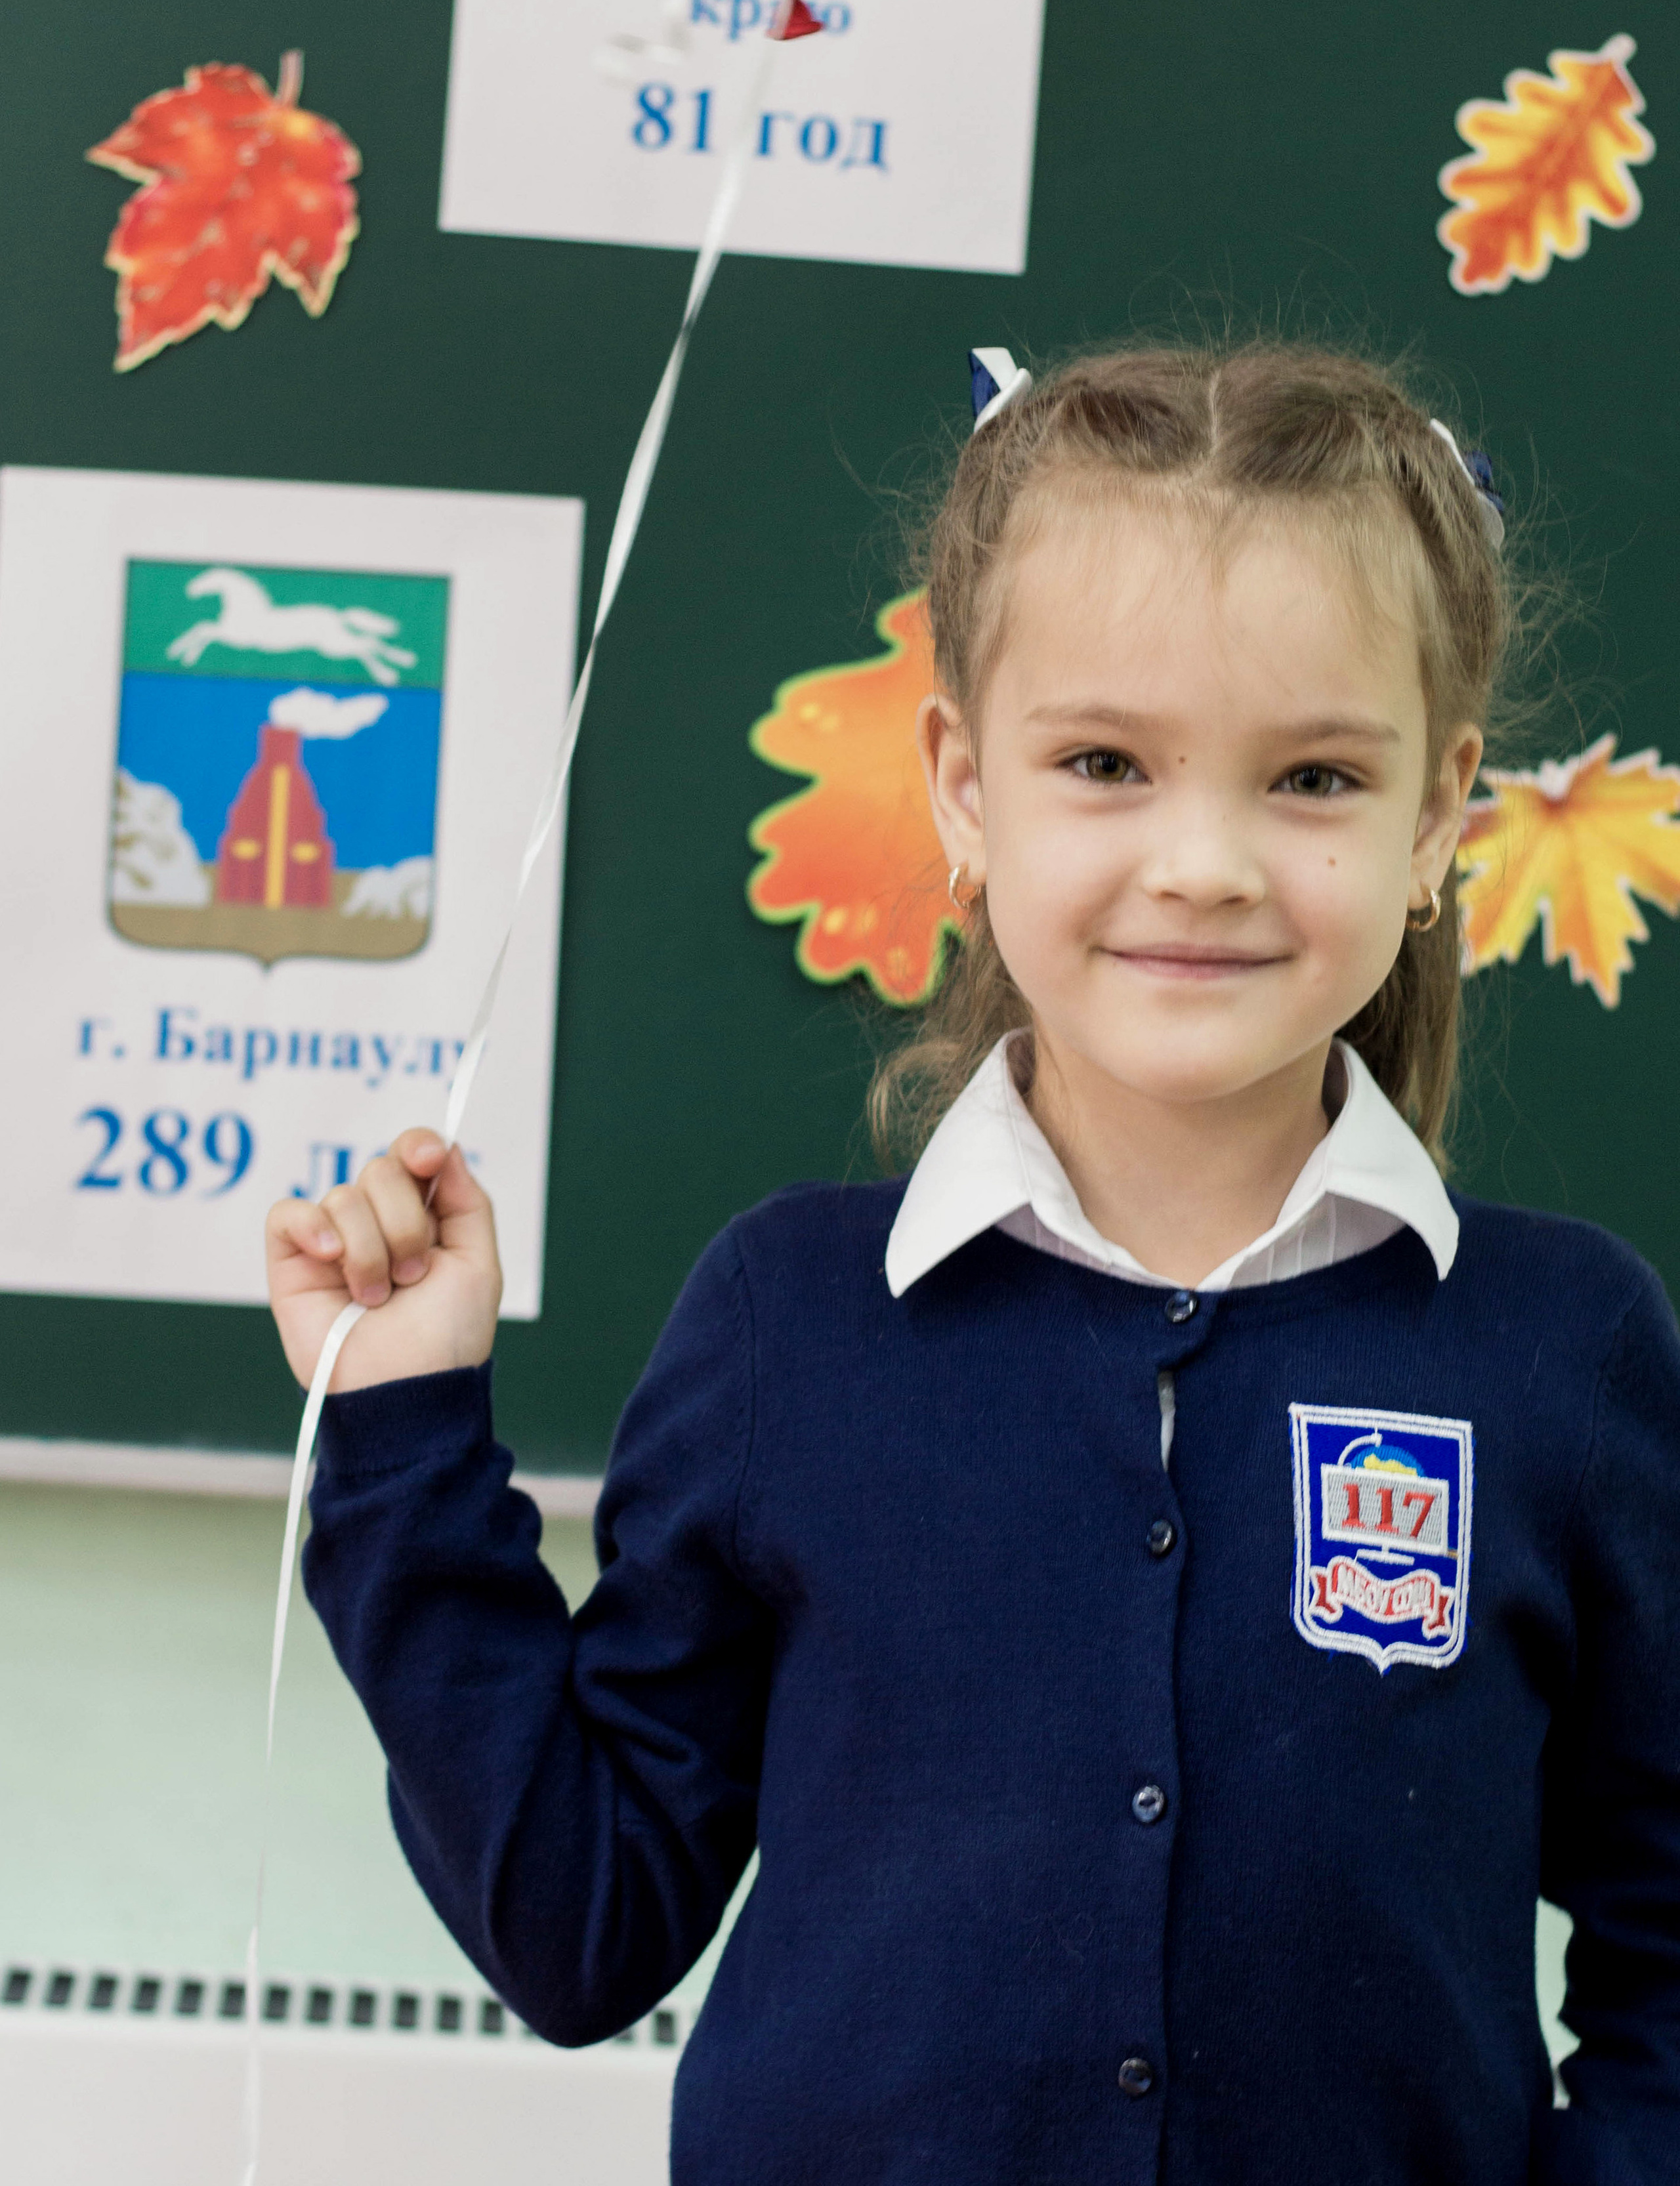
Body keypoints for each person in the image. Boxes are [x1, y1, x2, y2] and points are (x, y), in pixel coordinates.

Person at [267, 343, 1680, 2186]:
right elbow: (577, 1923)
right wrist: (397, 1433)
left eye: (1315, 777)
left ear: (1437, 822)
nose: (1204, 863)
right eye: (1104, 762)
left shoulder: (1561, 1353)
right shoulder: (794, 1321)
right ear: (959, 783)